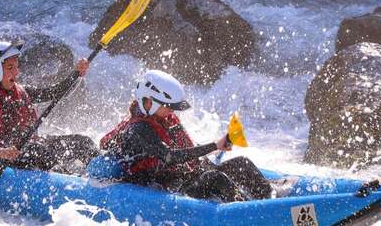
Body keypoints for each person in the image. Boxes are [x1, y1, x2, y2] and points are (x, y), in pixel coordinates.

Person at [99, 70, 272, 202]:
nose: (172, 110)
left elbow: (187, 151)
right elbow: (169, 157)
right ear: (149, 102)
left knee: (242, 163)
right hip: (163, 187)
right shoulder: (137, 129)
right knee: (216, 179)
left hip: (181, 177)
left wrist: (213, 155)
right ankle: (250, 214)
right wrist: (215, 145)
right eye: (168, 105)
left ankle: (272, 201)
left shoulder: (166, 118)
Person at [0, 40, 99, 173]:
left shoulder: (19, 91)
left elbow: (55, 92)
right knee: (39, 151)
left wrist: (77, 73)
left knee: (82, 142)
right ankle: (69, 184)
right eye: (10, 68)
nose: (17, 72)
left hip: (25, 147)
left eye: (16, 66)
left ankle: (101, 176)